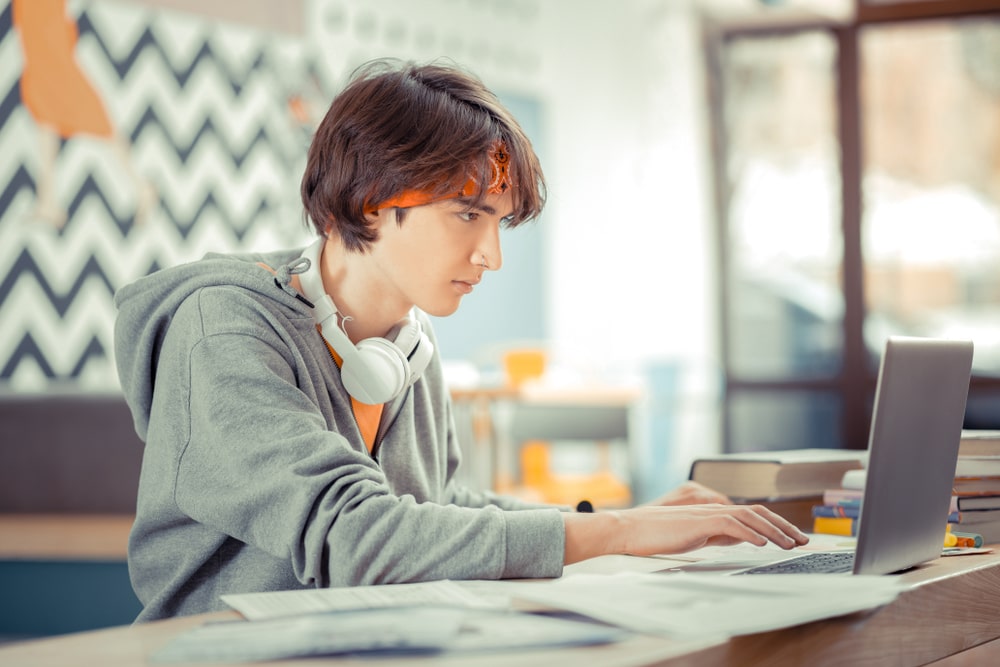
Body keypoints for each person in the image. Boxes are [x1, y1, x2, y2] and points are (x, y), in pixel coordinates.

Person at [114, 58, 807, 623]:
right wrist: (615, 535)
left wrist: (614, 518)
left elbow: (443, 509)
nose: (491, 256)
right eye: (467, 213)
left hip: (372, 636)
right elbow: (359, 535)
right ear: (368, 203)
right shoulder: (225, 330)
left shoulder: (405, 343)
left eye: (500, 221)